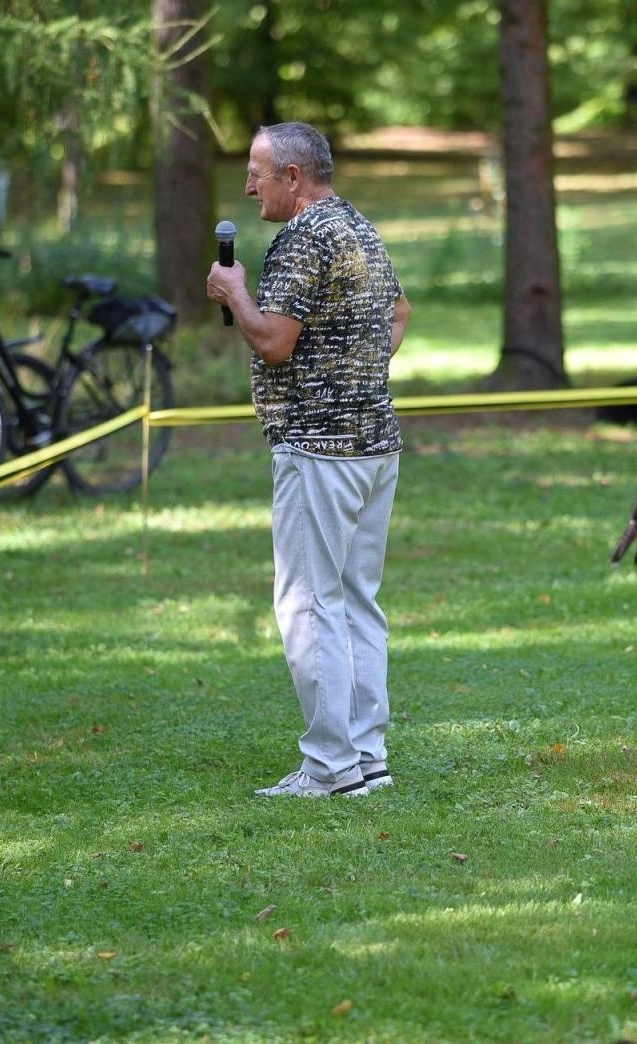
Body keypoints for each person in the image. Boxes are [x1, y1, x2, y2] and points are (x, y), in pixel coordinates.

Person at [205, 122, 412, 798]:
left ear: (293, 177)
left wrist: (234, 292)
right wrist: (358, 372)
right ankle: (367, 756)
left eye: (257, 172)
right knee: (356, 601)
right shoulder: (359, 227)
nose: (248, 185)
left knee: (308, 603)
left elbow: (272, 342)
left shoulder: (301, 239)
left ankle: (330, 766)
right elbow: (399, 311)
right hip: (373, 443)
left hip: (318, 448)